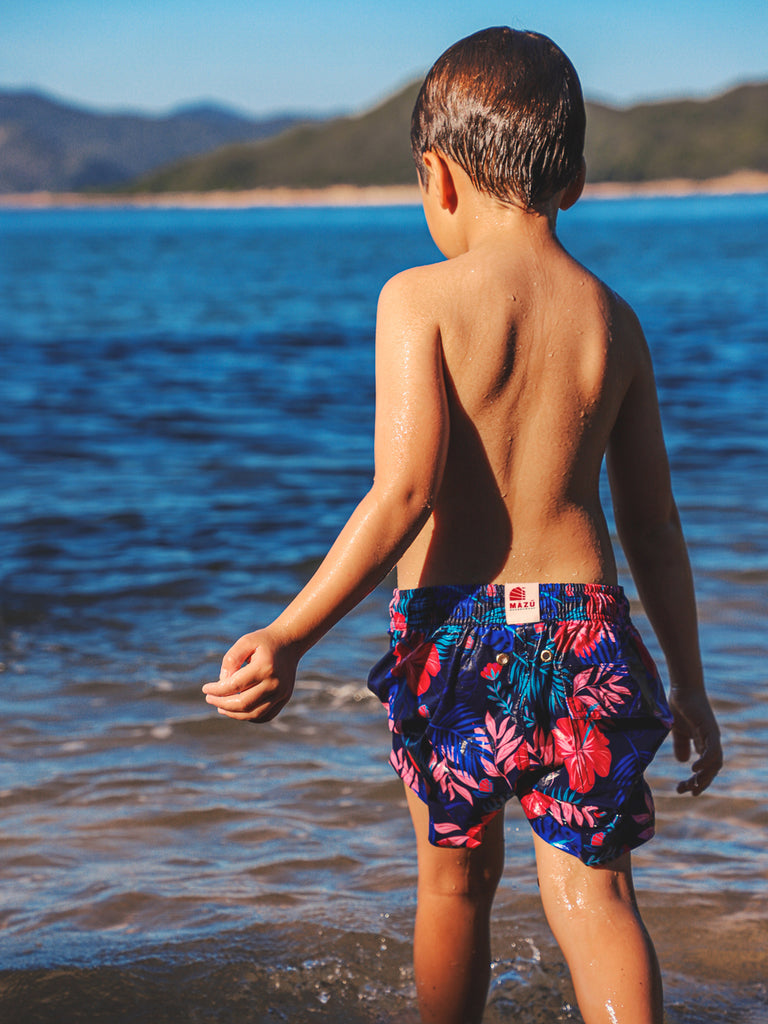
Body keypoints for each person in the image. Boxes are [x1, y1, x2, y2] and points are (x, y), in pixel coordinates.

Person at [203, 26, 722, 1024]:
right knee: (595, 894)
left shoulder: (420, 300)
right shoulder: (615, 321)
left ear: (437, 179)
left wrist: (289, 633)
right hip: (583, 633)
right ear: (571, 176)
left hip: (455, 637)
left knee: (453, 881)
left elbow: (401, 494)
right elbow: (654, 524)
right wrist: (690, 683)